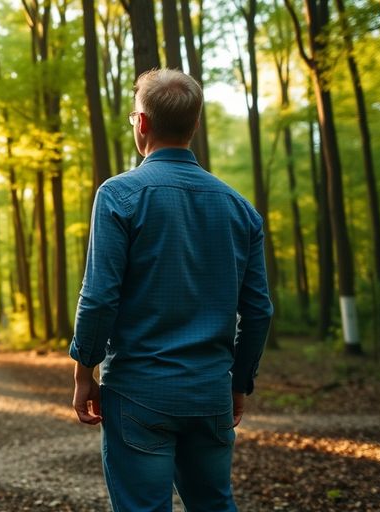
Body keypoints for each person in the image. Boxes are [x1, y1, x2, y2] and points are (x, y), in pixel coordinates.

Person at [69, 68, 273, 512]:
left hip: (138, 394)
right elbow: (258, 312)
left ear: (141, 123)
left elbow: (99, 296)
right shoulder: (241, 209)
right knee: (215, 505)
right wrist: (239, 383)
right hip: (210, 395)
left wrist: (85, 371)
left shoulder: (119, 196)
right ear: (194, 125)